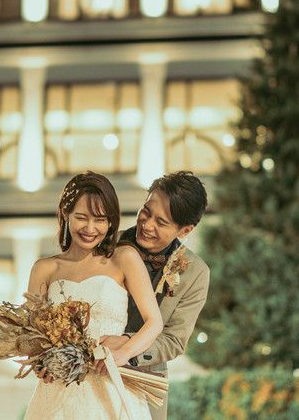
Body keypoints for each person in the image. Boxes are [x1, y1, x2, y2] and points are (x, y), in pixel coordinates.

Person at [24, 171, 163, 420]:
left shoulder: (124, 258)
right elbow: (30, 334)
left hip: (111, 384)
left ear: (110, 222)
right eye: (81, 218)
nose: (90, 228)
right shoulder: (44, 268)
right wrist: (39, 363)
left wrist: (124, 353)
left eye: (100, 220)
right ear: (65, 214)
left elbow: (154, 322)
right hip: (59, 393)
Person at [105, 171, 210, 420]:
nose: (147, 225)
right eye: (146, 211)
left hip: (144, 381)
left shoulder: (195, 273)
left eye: (161, 222)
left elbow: (174, 340)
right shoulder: (105, 246)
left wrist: (127, 346)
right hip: (87, 371)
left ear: (185, 230)